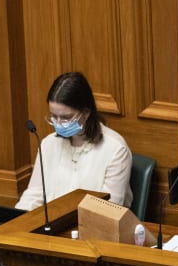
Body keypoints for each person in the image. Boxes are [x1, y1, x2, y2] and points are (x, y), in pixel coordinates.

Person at [16, 71, 133, 210]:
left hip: (93, 227)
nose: (58, 123)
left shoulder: (115, 149)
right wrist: (15, 222)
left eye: (66, 117)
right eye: (54, 116)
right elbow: (34, 195)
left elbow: (110, 208)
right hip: (51, 225)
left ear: (86, 113)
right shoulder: (48, 144)